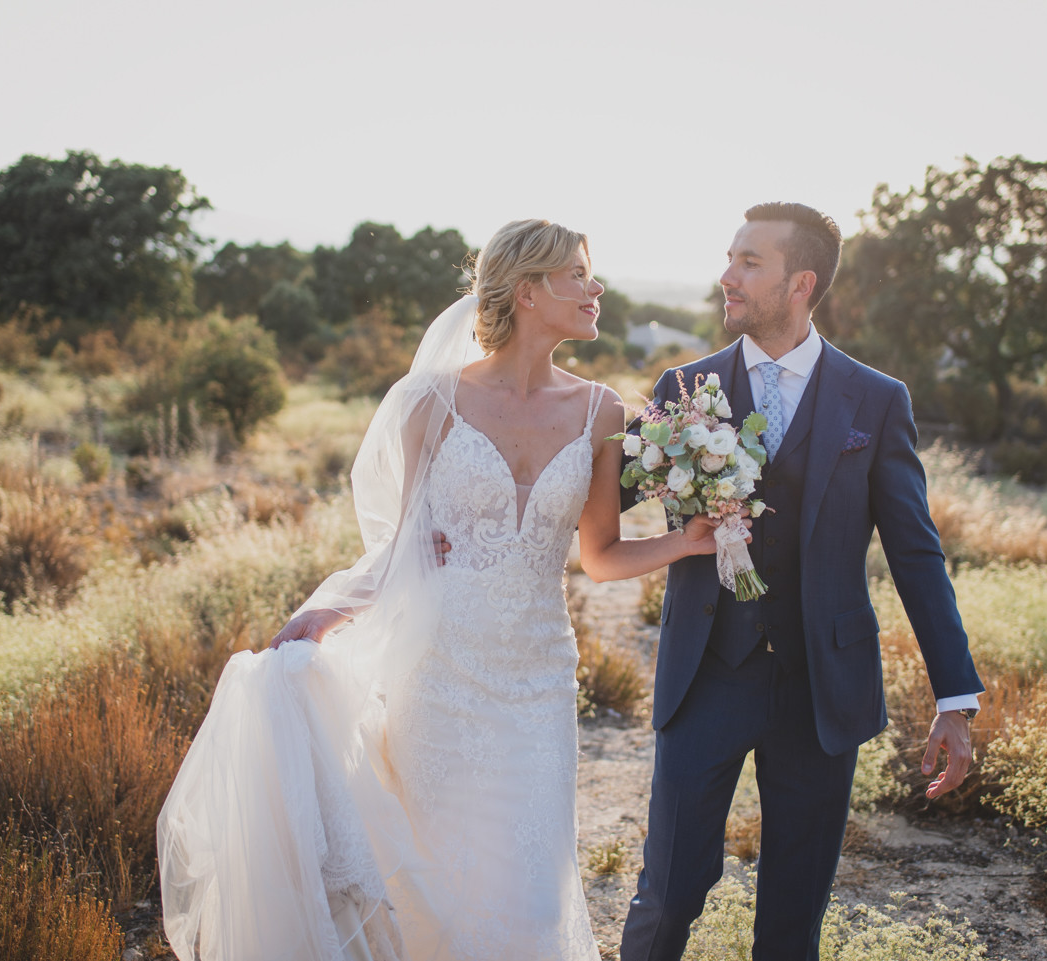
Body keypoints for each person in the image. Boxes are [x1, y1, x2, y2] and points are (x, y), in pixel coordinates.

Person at [156, 219, 735, 961]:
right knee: (442, 891)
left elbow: (600, 554)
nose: (596, 290)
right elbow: (404, 544)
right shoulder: (430, 401)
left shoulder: (603, 412)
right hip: (440, 674)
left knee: (530, 895)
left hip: (537, 679)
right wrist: (334, 608)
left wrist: (685, 541)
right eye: (580, 275)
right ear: (529, 292)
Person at [617, 203, 985, 961]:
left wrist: (956, 695)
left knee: (793, 917)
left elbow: (916, 552)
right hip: (705, 677)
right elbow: (608, 496)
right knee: (669, 892)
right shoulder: (684, 385)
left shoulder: (877, 399)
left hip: (824, 688)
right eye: (730, 257)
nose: (728, 275)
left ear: (801, 282)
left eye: (750, 261)